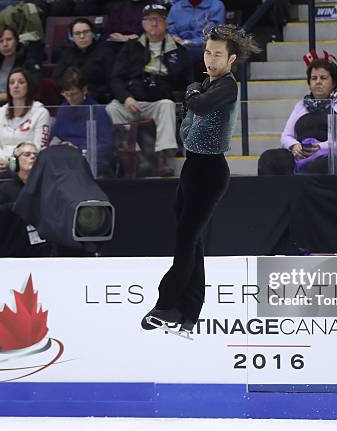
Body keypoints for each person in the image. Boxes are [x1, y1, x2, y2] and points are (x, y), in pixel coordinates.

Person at [141, 24, 261, 336]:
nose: (210, 59)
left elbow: (197, 104)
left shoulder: (227, 86)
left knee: (185, 241)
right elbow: (187, 123)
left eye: (217, 55)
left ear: (231, 58)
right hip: (193, 168)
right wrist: (193, 97)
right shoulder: (208, 82)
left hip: (210, 172)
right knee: (190, 241)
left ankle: (166, 305)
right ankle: (189, 313)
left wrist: (193, 92)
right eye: (207, 52)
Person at [107, 3, 193, 176]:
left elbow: (188, 81)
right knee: (112, 108)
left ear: (166, 23)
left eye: (158, 19)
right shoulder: (130, 47)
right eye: (149, 19)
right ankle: (135, 155)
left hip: (158, 103)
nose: (154, 24)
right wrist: (126, 98)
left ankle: (161, 157)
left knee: (167, 105)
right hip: (132, 102)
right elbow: (115, 78)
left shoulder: (178, 50)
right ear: (143, 23)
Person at [257, 55, 337, 175]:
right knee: (270, 158)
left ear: (333, 82)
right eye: (314, 78)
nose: (318, 82)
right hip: (302, 153)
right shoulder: (301, 104)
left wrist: (320, 147)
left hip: (332, 153)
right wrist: (294, 146)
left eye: (323, 78)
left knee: (318, 167)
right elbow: (286, 135)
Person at [0, 68, 50, 180]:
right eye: (12, 82)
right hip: (2, 161)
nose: (16, 85)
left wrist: (11, 162)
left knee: (15, 174)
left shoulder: (40, 112)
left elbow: (39, 147)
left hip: (28, 163)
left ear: (28, 87)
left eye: (21, 82)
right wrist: (0, 160)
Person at [0, 142, 52, 257]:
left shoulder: (48, 188)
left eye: (36, 155)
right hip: (13, 257)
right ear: (15, 162)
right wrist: (15, 206)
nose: (33, 157)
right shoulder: (5, 189)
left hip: (45, 257)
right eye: (27, 154)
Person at [50, 67, 115, 177]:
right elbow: (56, 137)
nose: (70, 98)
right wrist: (61, 145)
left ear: (84, 90)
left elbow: (106, 145)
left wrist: (78, 150)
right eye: (66, 94)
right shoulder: (62, 109)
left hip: (90, 161)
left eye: (73, 94)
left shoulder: (97, 111)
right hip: (65, 160)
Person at [0, 25, 43, 125]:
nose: (5, 44)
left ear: (16, 41)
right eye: (0, 41)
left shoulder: (28, 60)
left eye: (9, 40)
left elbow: (33, 86)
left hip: (17, 102)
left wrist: (5, 96)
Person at [52, 18, 115, 104]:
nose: (82, 36)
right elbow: (57, 77)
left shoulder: (106, 52)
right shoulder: (67, 53)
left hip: (98, 99)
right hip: (72, 97)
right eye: (77, 33)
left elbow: (111, 81)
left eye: (85, 32)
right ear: (72, 37)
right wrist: (71, 91)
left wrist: (88, 94)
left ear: (93, 34)